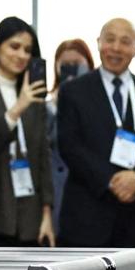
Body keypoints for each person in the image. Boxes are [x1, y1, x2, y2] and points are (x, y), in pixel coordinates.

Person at [56, 18, 135, 251]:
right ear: (99, 43)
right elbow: (70, 145)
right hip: (88, 214)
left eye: (125, 42)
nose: (116, 48)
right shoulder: (73, 91)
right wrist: (110, 180)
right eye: (110, 39)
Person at [0, 17, 55, 246]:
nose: (22, 55)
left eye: (28, 50)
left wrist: (47, 214)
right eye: (14, 46)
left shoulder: (35, 96)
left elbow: (43, 157)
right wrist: (18, 107)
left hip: (30, 213)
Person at [46, 37, 94, 226]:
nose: (71, 69)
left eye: (77, 64)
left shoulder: (99, 102)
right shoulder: (47, 104)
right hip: (55, 187)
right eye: (65, 65)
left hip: (89, 185)